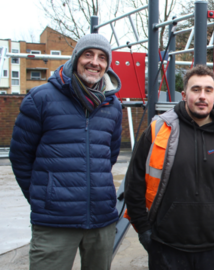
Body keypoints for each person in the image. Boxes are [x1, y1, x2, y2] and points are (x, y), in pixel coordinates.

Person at [9, 33, 123, 270]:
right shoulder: (41, 98)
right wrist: (44, 198)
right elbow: (20, 156)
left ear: (107, 65)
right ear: (75, 58)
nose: (95, 62)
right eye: (88, 54)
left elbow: (109, 157)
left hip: (101, 219)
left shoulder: (112, 106)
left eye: (102, 57)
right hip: (54, 222)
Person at [124, 65, 214, 270]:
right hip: (167, 246)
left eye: (208, 90)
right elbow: (134, 182)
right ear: (184, 95)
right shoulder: (158, 130)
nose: (202, 96)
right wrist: (144, 231)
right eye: (196, 89)